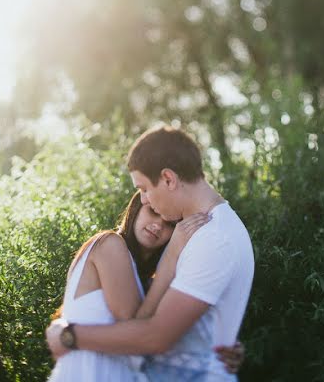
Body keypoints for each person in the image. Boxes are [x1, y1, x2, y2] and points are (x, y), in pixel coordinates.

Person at [47, 125, 255, 381]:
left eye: (144, 188)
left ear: (168, 179)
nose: (143, 199)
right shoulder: (199, 235)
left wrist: (68, 336)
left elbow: (154, 336)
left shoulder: (213, 236)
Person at [48, 191, 244, 381]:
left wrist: (218, 346)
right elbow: (135, 327)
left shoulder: (149, 283)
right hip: (88, 373)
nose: (158, 225)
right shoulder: (109, 244)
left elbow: (162, 331)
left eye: (169, 224)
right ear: (136, 208)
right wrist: (171, 256)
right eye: (153, 211)